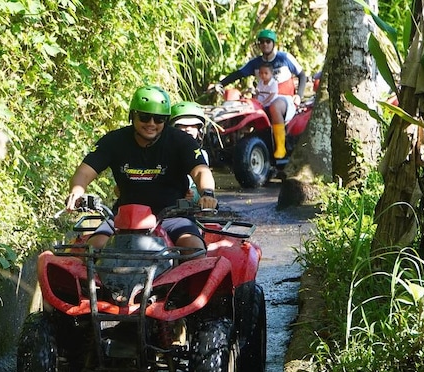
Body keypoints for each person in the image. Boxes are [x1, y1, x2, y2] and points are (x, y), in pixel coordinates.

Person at [66, 85, 218, 251]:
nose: (151, 124)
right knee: (93, 248)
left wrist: (207, 193)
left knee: (193, 248)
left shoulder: (181, 141)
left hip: (172, 216)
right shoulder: (113, 141)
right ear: (132, 116)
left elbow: (200, 170)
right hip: (123, 217)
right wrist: (77, 191)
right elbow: (85, 171)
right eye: (145, 117)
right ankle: (92, 279)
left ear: (166, 120)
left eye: (159, 119)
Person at [211, 29, 307, 159]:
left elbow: (302, 75)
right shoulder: (255, 63)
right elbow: (238, 74)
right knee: (241, 107)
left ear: (273, 43)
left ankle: (281, 148)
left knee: (275, 106)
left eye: (268, 41)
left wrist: (299, 95)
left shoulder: (284, 58)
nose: (265, 44)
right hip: (262, 99)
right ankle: (230, 145)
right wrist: (220, 84)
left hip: (284, 99)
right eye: (261, 42)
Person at [168, 100, 209, 203]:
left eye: (193, 125)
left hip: (188, 206)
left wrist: (193, 195)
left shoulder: (201, 154)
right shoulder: (162, 152)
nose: (188, 129)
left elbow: (201, 184)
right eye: (183, 125)